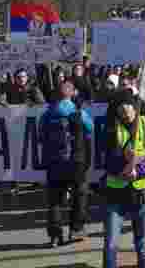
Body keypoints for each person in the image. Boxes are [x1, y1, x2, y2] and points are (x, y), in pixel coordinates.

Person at [102, 88, 145, 268]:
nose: (125, 112)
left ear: (135, 107)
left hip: (143, 193)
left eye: (128, 106)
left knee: (142, 244)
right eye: (121, 109)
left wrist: (139, 170)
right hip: (116, 195)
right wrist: (123, 166)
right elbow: (105, 159)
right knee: (111, 244)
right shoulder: (110, 128)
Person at [40, 80, 93, 247]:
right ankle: (76, 229)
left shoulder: (48, 113)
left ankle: (55, 235)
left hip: (54, 162)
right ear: (72, 93)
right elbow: (90, 128)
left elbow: (40, 135)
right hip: (76, 162)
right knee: (80, 195)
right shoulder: (78, 112)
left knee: (55, 200)